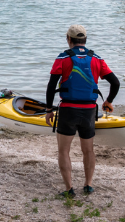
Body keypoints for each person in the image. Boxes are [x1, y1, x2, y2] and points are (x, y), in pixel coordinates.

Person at [45, 25, 120, 197]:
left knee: (64, 150)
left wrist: (49, 109)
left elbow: (51, 86)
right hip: (88, 111)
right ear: (85, 40)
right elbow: (115, 83)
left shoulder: (62, 58)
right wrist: (108, 101)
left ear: (69, 39)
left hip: (68, 110)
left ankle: (69, 189)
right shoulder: (97, 59)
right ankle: (88, 185)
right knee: (88, 150)